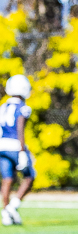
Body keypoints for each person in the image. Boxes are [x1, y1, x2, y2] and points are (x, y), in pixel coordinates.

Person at [0, 75, 36, 226]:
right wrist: (22, 152)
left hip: (2, 146)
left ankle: (5, 212)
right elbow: (19, 129)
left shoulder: (3, 106)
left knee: (7, 179)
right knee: (30, 176)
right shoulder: (22, 107)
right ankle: (12, 207)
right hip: (15, 146)